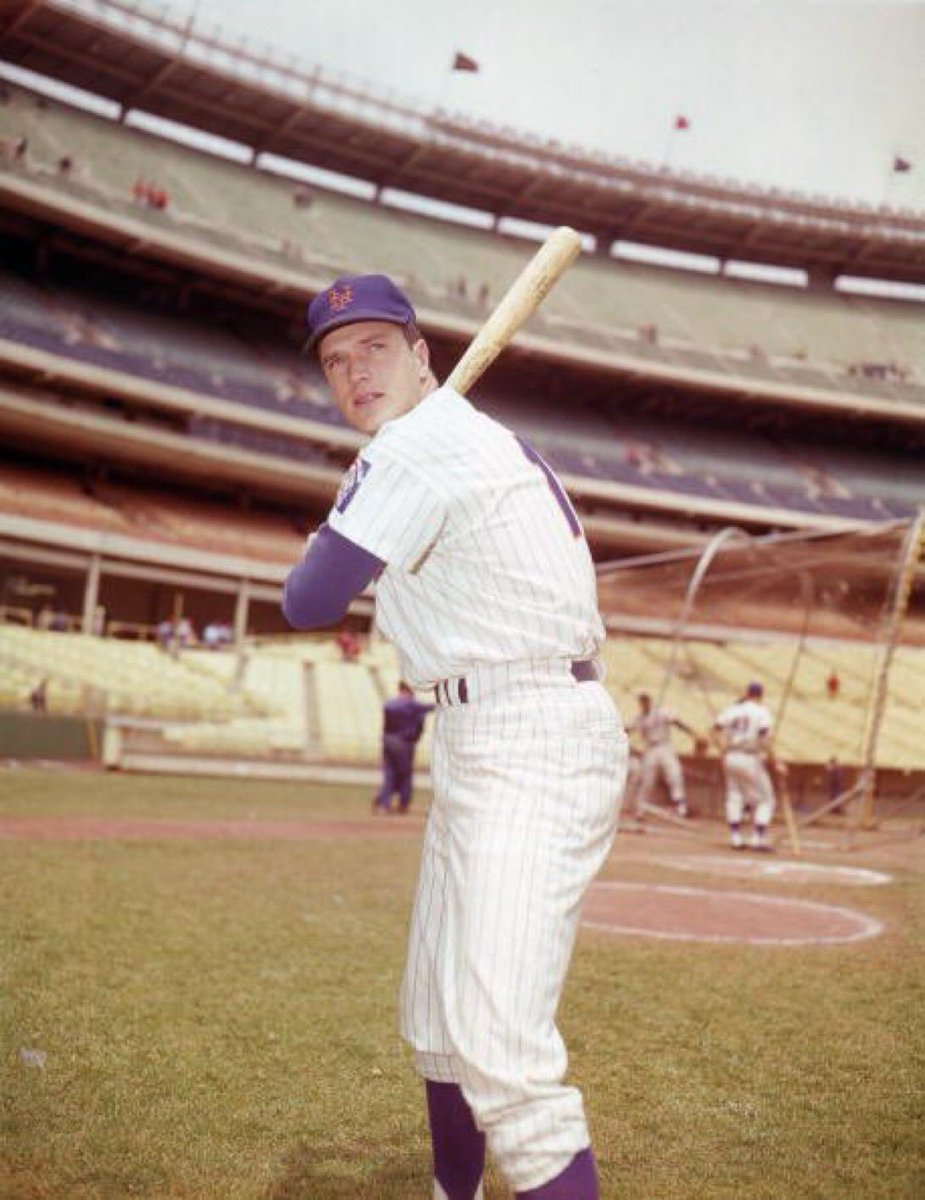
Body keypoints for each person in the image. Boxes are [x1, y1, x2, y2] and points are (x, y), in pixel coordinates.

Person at [282, 274, 627, 1200]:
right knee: (437, 1016)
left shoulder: (417, 450)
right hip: (480, 731)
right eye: (335, 361)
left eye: (375, 350)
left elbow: (308, 600)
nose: (355, 372)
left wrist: (347, 500)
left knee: (501, 1054)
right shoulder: (429, 442)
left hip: (532, 734)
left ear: (422, 355)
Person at [712, 681, 779, 852]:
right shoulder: (761, 711)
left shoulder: (734, 709)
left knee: (734, 795)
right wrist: (776, 762)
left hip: (731, 755)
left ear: (747, 693)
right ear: (760, 695)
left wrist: (721, 749)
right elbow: (764, 737)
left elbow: (714, 730)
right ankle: (757, 838)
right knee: (766, 799)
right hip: (750, 756)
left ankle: (735, 837)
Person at [629, 691, 697, 819]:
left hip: (665, 747)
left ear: (650, 701)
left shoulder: (661, 713)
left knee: (674, 775)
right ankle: (640, 810)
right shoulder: (639, 718)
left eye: (646, 700)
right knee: (647, 780)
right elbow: (629, 729)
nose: (644, 704)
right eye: (642, 701)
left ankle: (681, 807)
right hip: (650, 749)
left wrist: (692, 733)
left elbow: (677, 722)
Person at [374, 681, 435, 814]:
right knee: (405, 774)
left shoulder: (389, 704)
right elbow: (430, 709)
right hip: (403, 743)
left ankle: (384, 804)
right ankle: (403, 803)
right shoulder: (412, 704)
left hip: (387, 740)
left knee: (389, 774)